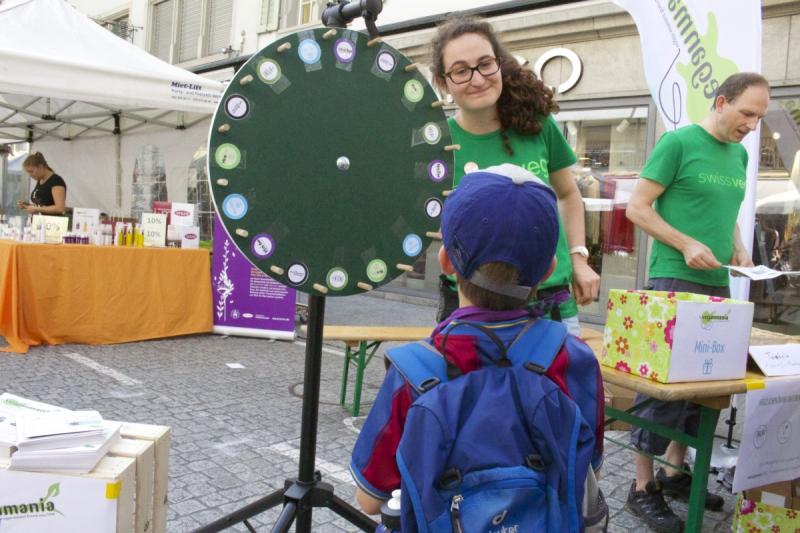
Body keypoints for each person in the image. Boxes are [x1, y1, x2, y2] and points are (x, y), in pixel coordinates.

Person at [350, 164, 604, 521]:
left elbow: (369, 499)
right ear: (549, 270)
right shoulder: (574, 358)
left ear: (446, 263)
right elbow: (588, 466)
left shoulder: (414, 372)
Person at [625, 72, 770, 533]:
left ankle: (674, 475)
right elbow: (638, 208)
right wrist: (685, 243)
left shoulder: (740, 154)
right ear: (722, 101)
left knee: (703, 389)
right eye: (746, 113)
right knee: (662, 392)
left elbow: (724, 213)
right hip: (671, 280)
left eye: (759, 117)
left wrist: (739, 248)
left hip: (718, 285)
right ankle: (640, 487)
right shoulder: (679, 143)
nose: (751, 124)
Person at [430, 16, 600, 335]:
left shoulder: (536, 124)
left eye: (485, 64)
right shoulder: (437, 144)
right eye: (461, 70)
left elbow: (567, 195)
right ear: (443, 81)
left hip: (548, 296)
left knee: (552, 383)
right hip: (469, 300)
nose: (477, 79)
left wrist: (579, 258)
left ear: (499, 64)